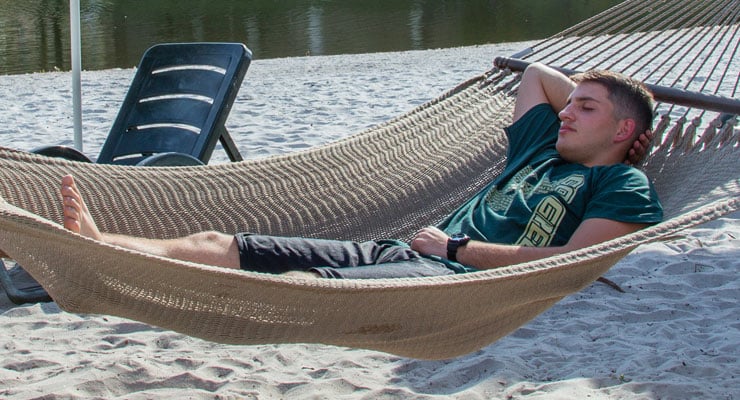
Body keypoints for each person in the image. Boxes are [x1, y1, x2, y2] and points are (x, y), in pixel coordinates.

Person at [61, 63, 663, 279]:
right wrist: (595, 97)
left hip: (448, 280)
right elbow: (535, 75)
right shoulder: (540, 148)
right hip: (400, 256)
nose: (567, 112)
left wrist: (458, 247)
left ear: (624, 132)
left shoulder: (622, 185)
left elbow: (571, 263)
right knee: (221, 243)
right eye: (571, 104)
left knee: (297, 286)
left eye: (586, 109)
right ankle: (98, 245)